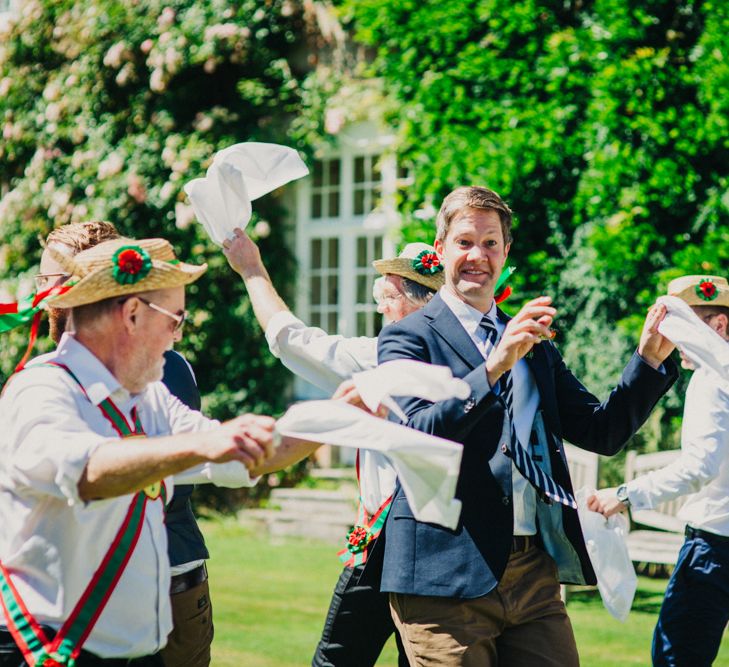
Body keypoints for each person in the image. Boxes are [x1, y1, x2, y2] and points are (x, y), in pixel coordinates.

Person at [376, 185, 678, 667]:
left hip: (533, 572)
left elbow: (601, 431)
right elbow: (414, 434)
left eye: (491, 243)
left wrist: (647, 361)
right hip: (444, 573)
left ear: (506, 251)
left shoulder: (530, 340)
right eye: (465, 242)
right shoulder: (406, 337)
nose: (478, 255)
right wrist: (494, 366)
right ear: (440, 249)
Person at [0, 236, 315, 666]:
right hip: (40, 648)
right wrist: (202, 443)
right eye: (175, 318)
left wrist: (350, 416)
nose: (178, 334)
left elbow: (248, 455)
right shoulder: (41, 388)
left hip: (123, 651)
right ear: (131, 314)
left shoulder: (146, 397)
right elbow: (87, 472)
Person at [223, 228, 446, 666]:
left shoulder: (382, 355)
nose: (382, 307)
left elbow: (290, 339)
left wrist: (252, 269)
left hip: (389, 536)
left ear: (405, 300)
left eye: (387, 298)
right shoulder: (472, 357)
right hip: (449, 544)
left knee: (337, 659)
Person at [36, 221, 217, 667]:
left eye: (48, 280)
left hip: (157, 575)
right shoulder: (46, 379)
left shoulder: (158, 369)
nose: (39, 294)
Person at [588, 274, 729, 667]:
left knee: (674, 657)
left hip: (714, 550)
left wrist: (623, 495)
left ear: (718, 327)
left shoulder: (711, 380)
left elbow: (699, 467)